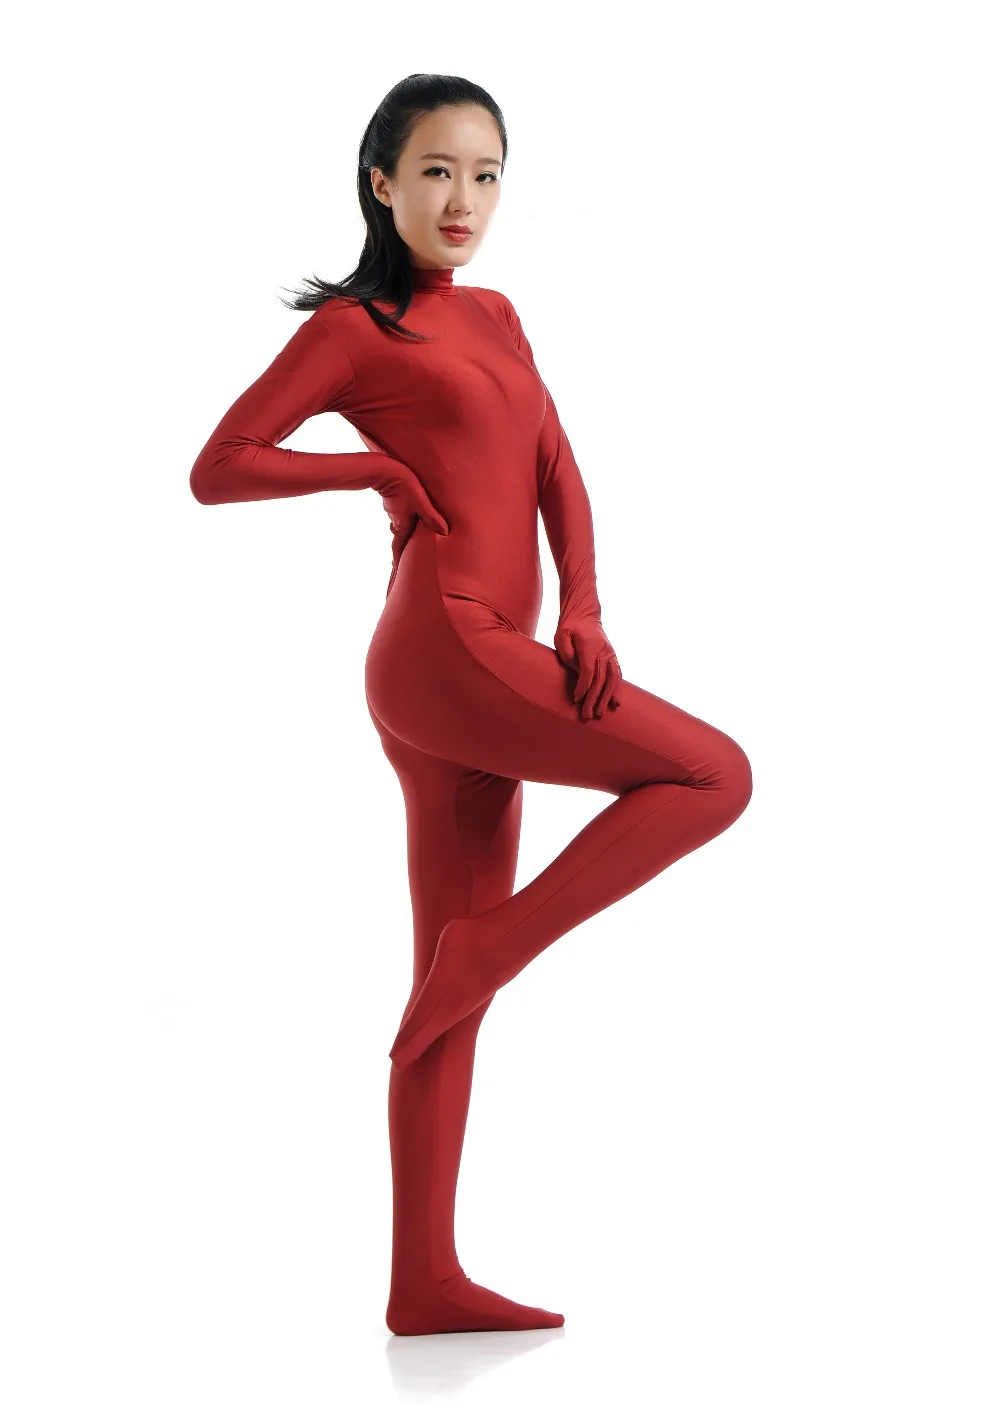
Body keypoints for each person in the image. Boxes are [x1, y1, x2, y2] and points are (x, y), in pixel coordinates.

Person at [189, 73, 753, 1338]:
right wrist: (372, 468)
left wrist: (585, 605)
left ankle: (423, 1280)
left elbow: (555, 463)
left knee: (443, 998)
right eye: (437, 171)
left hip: (489, 654)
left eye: (486, 175)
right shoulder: (353, 331)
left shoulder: (496, 314)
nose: (464, 200)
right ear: (380, 183)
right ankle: (492, 946)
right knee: (713, 774)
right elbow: (217, 466)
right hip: (445, 646)